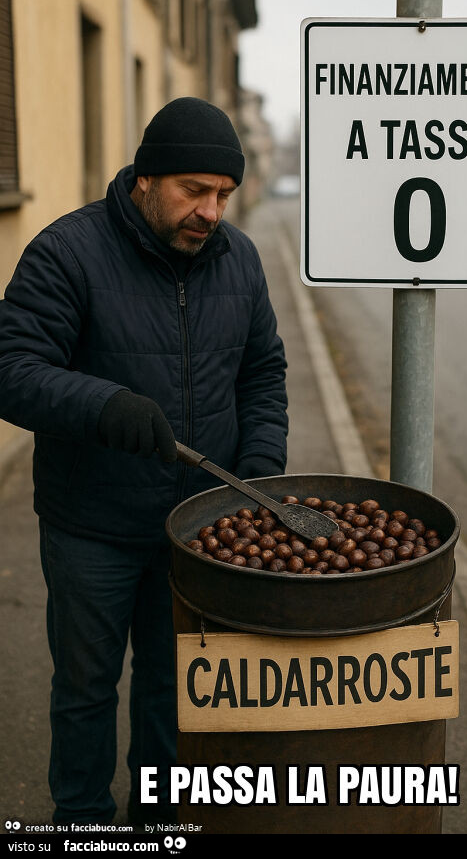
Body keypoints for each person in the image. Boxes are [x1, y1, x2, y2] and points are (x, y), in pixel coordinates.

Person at [0, 97, 288, 826]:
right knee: (87, 689)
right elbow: (11, 365)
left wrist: (257, 465)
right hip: (89, 524)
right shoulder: (67, 251)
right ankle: (85, 823)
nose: (211, 211)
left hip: (196, 531)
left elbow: (262, 373)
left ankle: (159, 824)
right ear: (145, 179)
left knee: (174, 690)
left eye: (222, 194)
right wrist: (102, 405)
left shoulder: (241, 259)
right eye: (195, 190)